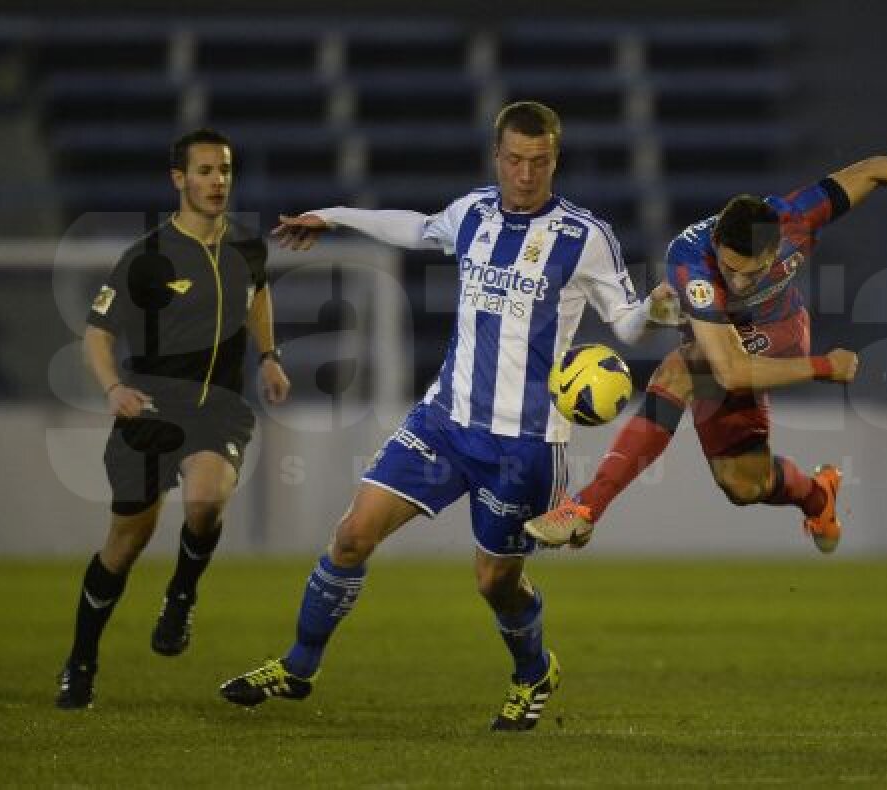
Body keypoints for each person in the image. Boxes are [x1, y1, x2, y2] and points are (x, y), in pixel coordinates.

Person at [218, 101, 674, 731]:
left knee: (495, 583)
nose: (525, 173)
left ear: (554, 161)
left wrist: (656, 309)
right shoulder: (474, 212)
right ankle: (298, 667)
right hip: (445, 421)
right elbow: (413, 227)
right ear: (498, 156)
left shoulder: (583, 237)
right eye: (515, 160)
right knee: (352, 536)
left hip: (525, 446)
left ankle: (533, 670)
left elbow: (626, 323)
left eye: (538, 163)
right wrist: (332, 216)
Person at [524, 151, 887, 551]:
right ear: (717, 244)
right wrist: (825, 368)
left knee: (679, 369)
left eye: (750, 273)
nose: (735, 280)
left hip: (781, 333)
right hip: (730, 349)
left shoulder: (796, 216)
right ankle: (818, 495)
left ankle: (585, 506)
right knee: (741, 484)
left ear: (776, 252)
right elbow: (731, 372)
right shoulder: (691, 260)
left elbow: (872, 169)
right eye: (729, 269)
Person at [55, 128, 291, 709]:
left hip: (220, 408)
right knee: (124, 543)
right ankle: (81, 660)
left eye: (225, 170)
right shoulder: (146, 258)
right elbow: (97, 332)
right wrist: (113, 388)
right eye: (205, 171)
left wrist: (269, 356)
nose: (218, 182)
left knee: (207, 498)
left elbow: (258, 293)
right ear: (178, 179)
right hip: (153, 403)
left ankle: (181, 598)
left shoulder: (247, 247)